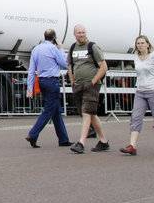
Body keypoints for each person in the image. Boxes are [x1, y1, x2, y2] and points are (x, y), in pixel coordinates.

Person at [123, 35, 154, 156]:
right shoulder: (136, 57)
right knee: (136, 117)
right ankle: (132, 146)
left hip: (153, 91)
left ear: (148, 44)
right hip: (140, 91)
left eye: (142, 43)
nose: (140, 45)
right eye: (138, 43)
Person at [25, 29, 72, 148]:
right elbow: (64, 63)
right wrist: (61, 48)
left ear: (44, 37)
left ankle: (63, 139)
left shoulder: (36, 49)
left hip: (42, 81)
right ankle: (33, 134)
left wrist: (29, 88)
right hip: (52, 81)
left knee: (55, 111)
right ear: (54, 38)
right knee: (49, 110)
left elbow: (31, 71)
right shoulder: (53, 49)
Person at [66, 24, 108, 153]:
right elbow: (70, 65)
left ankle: (81, 143)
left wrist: (93, 81)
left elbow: (103, 67)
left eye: (83, 32)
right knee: (91, 114)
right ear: (75, 34)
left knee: (86, 113)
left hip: (91, 85)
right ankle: (103, 141)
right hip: (78, 84)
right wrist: (72, 80)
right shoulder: (73, 48)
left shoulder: (92, 47)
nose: (81, 34)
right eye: (79, 32)